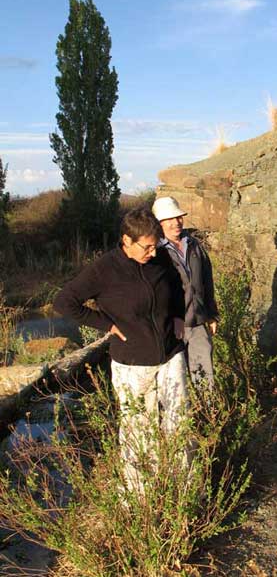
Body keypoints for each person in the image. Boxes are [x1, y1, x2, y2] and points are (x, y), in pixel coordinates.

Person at [53, 207, 189, 492]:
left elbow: (176, 285)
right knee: (139, 429)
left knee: (179, 421)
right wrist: (106, 325)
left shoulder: (160, 256)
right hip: (132, 363)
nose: (153, 252)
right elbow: (65, 302)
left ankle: (183, 490)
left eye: (156, 245)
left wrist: (178, 315)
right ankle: (140, 496)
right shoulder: (104, 269)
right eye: (147, 246)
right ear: (127, 240)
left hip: (170, 353)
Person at [152, 196, 219, 393]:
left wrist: (212, 314)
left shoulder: (194, 245)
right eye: (170, 219)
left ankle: (209, 419)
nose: (176, 222)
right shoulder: (155, 251)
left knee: (205, 378)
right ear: (159, 223)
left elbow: (207, 281)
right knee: (173, 383)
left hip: (197, 322)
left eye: (178, 217)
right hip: (170, 328)